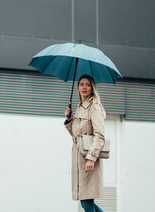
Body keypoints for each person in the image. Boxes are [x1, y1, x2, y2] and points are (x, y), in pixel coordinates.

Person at [64, 74, 106, 212]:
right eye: (81, 84)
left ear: (92, 88)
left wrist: (91, 158)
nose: (84, 87)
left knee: (87, 202)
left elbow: (99, 135)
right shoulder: (79, 108)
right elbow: (76, 135)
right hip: (78, 158)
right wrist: (69, 120)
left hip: (88, 159)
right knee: (86, 202)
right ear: (77, 88)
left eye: (88, 84)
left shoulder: (94, 107)